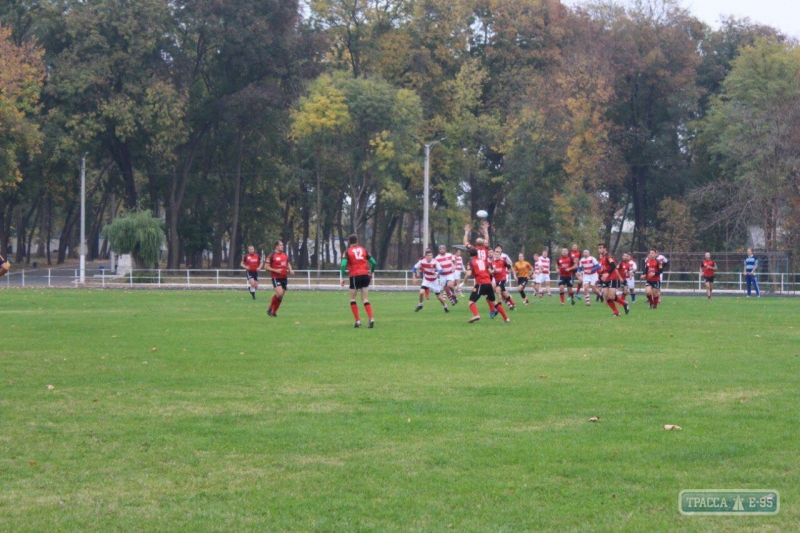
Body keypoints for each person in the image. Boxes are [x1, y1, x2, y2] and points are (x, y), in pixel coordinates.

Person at [463, 247, 509, 323]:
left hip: (480, 283)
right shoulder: (483, 261)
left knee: (471, 302)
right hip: (488, 283)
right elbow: (490, 272)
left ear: (469, 254)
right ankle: (506, 318)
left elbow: (468, 274)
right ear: (477, 253)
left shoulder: (470, 262)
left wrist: (464, 282)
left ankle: (476, 315)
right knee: (494, 302)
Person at [340, 234, 377, 327]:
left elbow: (343, 265)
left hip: (355, 276)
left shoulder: (347, 252)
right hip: (365, 275)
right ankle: (371, 318)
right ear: (357, 241)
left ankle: (358, 320)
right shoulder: (364, 250)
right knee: (365, 298)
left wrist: (342, 277)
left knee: (352, 298)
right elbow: (374, 263)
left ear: (349, 242)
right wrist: (371, 272)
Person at [596, 243, 629, 317]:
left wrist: (607, 273)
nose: (599, 249)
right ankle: (616, 312)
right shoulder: (602, 258)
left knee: (611, 296)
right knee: (606, 297)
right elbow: (603, 269)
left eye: (601, 248)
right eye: (598, 248)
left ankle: (625, 304)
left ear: (605, 248)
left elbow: (613, 266)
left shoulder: (609, 256)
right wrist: (600, 275)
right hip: (606, 279)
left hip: (612, 278)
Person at [264, 241, 295, 317]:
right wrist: (275, 270)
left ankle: (274, 312)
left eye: (282, 245)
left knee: (281, 296)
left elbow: (288, 263)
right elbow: (266, 267)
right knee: (280, 293)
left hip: (284, 277)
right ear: (276, 246)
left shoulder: (284, 255)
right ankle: (270, 307)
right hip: (276, 277)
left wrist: (290, 270)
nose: (282, 246)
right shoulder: (271, 256)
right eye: (281, 245)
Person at [491, 247, 516, 314]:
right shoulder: (492, 263)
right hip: (497, 280)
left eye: (498, 255)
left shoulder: (503, 262)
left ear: (500, 255)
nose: (497, 256)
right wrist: (493, 271)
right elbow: (491, 271)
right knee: (504, 293)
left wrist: (509, 270)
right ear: (494, 255)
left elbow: (509, 266)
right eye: (495, 255)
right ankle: (513, 303)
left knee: (498, 290)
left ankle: (499, 306)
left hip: (503, 279)